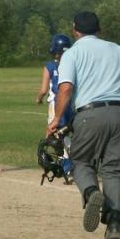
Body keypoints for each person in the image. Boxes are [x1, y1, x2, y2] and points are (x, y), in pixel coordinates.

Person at [47, 11, 120, 239]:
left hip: (88, 115)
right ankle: (113, 225)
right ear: (99, 29)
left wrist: (56, 120)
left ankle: (92, 193)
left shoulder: (72, 53)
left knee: (81, 161)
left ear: (75, 30)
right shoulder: (118, 49)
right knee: (114, 171)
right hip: (119, 114)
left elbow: (66, 90)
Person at [36, 34, 74, 175]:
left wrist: (39, 99)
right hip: (71, 103)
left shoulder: (50, 66)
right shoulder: (73, 65)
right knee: (68, 131)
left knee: (53, 133)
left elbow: (44, 90)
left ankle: (65, 165)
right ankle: (73, 163)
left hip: (56, 104)